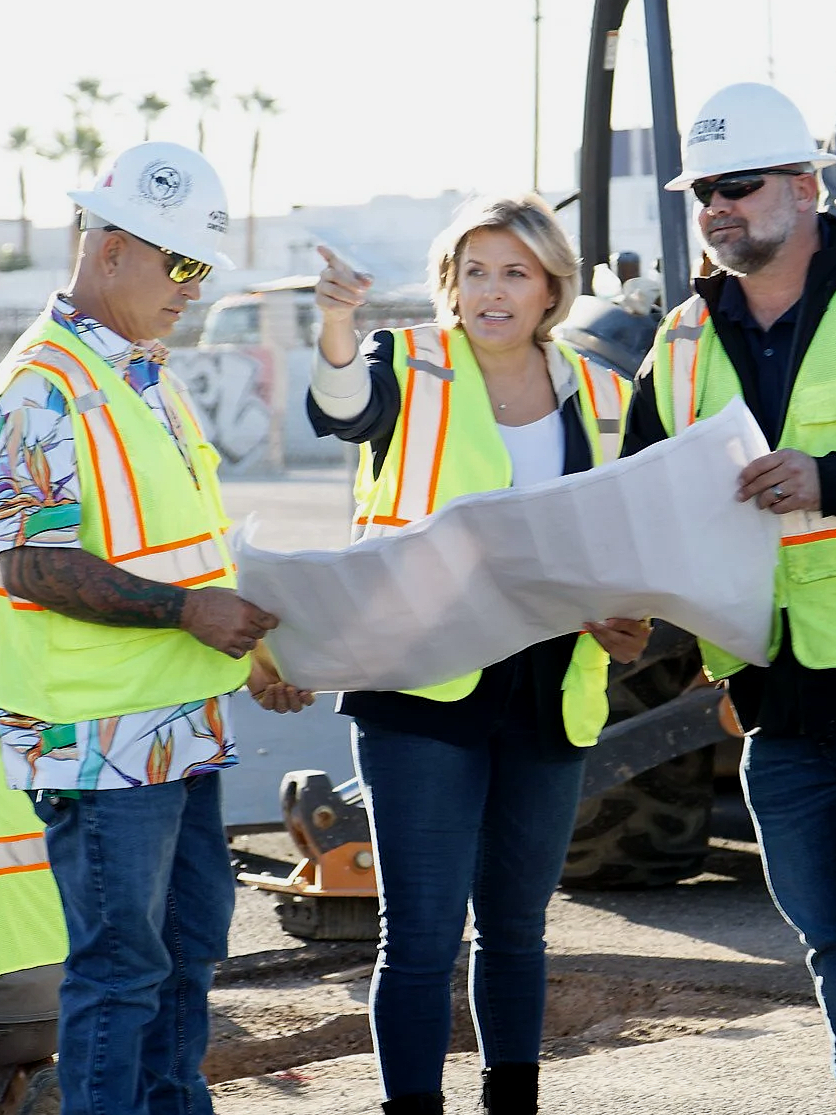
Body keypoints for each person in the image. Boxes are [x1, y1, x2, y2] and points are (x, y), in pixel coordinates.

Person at [307, 193, 649, 1114]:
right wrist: (339, 327)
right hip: (420, 680)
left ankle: (514, 1100)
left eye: (515, 272)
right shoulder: (407, 363)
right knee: (419, 933)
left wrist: (629, 616)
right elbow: (343, 410)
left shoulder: (605, 390)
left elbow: (627, 537)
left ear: (551, 289)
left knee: (517, 928)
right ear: (449, 285)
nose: (492, 292)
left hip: (548, 688)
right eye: (475, 272)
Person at [0, 140, 312, 1115]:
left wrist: (252, 651)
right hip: (97, 742)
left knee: (186, 955)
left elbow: (194, 549)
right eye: (180, 263)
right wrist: (186, 612)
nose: (194, 287)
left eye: (201, 267)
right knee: (119, 969)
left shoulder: (147, 377)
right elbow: (25, 560)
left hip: (178, 726)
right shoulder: (41, 387)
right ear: (109, 249)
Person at [622, 81, 836, 1077]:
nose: (714, 206)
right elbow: (629, 499)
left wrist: (826, 478)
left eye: (736, 185)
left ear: (802, 186)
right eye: (701, 189)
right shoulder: (675, 341)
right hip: (775, 707)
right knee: (829, 945)